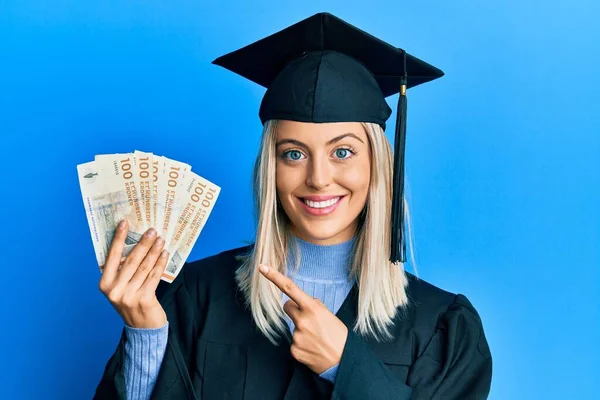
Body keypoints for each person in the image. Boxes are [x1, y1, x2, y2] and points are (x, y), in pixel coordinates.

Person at [93, 12, 492, 400]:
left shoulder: (441, 326)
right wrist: (145, 331)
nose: (318, 178)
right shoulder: (195, 296)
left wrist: (345, 366)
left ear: (378, 166)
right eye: (294, 154)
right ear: (271, 168)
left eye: (343, 151)